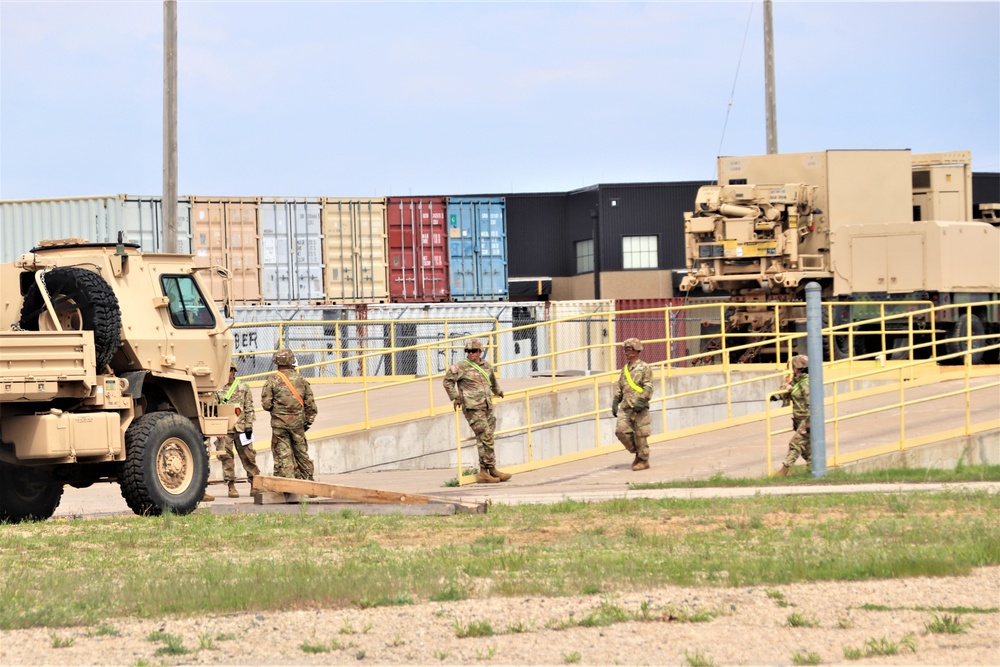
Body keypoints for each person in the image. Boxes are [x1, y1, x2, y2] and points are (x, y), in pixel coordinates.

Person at [443, 338, 511, 484]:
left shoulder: (486, 365)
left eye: (474, 351)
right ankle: (484, 471)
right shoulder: (460, 367)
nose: (471, 354)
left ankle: (490, 469)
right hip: (473, 407)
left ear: (480, 352)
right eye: (468, 351)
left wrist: (498, 391)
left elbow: (492, 381)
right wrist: (456, 397)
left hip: (486, 406)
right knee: (485, 435)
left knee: (488, 436)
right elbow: (447, 381)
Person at [261, 348, 317, 480]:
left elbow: (266, 405)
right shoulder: (301, 380)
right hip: (298, 424)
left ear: (277, 362)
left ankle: (288, 484)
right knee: (301, 453)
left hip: (279, 425)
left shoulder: (272, 381)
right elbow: (311, 405)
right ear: (292, 361)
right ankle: (309, 482)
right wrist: (307, 423)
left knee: (283, 454)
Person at [213, 361, 261, 498]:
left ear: (234, 371)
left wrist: (249, 426)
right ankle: (231, 486)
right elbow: (214, 411)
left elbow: (249, 407)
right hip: (225, 429)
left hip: (241, 429)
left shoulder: (243, 387)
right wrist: (217, 430)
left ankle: (255, 484)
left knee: (249, 457)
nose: (227, 374)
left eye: (229, 370)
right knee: (226, 458)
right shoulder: (217, 389)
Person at [612, 337, 654, 471]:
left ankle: (643, 460)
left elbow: (648, 386)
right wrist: (616, 400)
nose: (626, 352)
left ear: (636, 350)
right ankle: (638, 452)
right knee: (621, 431)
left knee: (641, 434)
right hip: (626, 406)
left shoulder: (644, 367)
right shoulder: (625, 369)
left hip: (639, 407)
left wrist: (642, 400)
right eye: (625, 350)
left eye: (628, 349)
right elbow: (620, 386)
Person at [771, 354, 811, 476]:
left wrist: (809, 423)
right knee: (806, 450)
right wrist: (780, 393)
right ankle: (814, 471)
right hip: (799, 419)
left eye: (793, 367)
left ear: (797, 368)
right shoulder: (796, 380)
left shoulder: (806, 383)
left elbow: (812, 405)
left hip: (807, 420)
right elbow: (787, 389)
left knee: (795, 443)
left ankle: (784, 471)